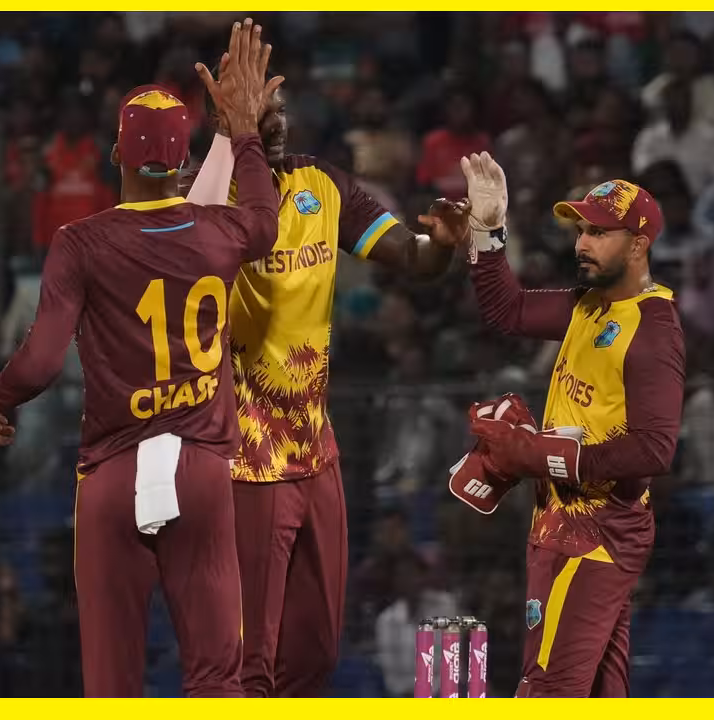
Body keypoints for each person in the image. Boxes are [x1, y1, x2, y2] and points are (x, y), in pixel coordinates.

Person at [0, 19, 283, 697]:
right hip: (200, 470)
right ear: (182, 162)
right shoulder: (221, 232)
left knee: (111, 686)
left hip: (112, 472)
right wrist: (244, 133)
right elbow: (265, 220)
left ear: (116, 151)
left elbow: (41, 362)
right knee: (216, 678)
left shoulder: (80, 242)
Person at [182, 48, 468, 700]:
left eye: (281, 110)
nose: (278, 123)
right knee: (250, 658)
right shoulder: (206, 200)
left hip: (317, 452)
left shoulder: (322, 184)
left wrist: (444, 245)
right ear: (227, 123)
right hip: (247, 461)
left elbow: (412, 256)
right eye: (262, 114)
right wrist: (235, 136)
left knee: (316, 653)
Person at [449, 153, 685, 697]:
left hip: (597, 534)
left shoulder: (653, 329)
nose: (581, 244)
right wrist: (488, 230)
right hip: (562, 522)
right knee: (602, 694)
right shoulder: (587, 305)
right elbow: (506, 310)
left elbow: (655, 450)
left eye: (598, 233)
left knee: (549, 691)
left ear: (638, 244)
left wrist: (541, 455)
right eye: (580, 231)